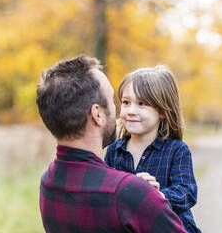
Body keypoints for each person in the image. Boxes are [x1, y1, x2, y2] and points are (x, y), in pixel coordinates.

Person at [36, 55, 187, 233]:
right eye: (115, 101)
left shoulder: (48, 182)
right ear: (97, 114)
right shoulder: (132, 195)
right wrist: (143, 194)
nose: (122, 112)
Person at [105, 66, 201, 233]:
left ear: (163, 111)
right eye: (126, 103)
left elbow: (187, 192)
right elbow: (106, 192)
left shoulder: (176, 150)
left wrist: (156, 195)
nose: (131, 111)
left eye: (141, 104)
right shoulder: (114, 151)